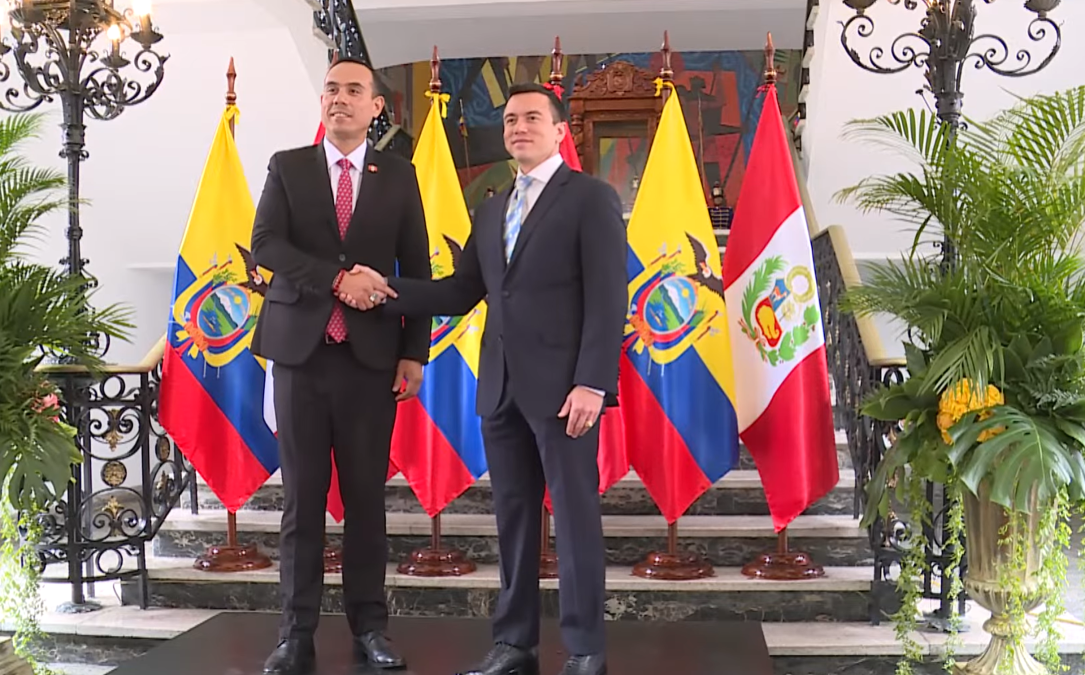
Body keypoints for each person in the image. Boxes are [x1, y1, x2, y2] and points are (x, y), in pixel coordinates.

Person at [350, 82, 626, 675]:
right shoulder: (494, 206)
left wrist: (594, 383)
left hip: (566, 391)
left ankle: (584, 649)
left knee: (575, 519)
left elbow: (609, 296)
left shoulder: (590, 198)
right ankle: (514, 642)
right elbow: (463, 290)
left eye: (531, 118)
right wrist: (387, 291)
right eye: (508, 121)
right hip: (499, 386)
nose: (518, 128)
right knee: (515, 519)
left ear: (560, 132)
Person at [249, 55, 431, 675]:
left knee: (365, 503)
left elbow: (417, 271)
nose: (340, 99)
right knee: (301, 501)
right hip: (300, 358)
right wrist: (337, 278)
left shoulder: (400, 177)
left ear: (376, 106)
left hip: (371, 362)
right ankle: (294, 634)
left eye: (355, 90)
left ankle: (370, 629)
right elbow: (268, 243)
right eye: (332, 89)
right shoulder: (289, 166)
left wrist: (414, 351)